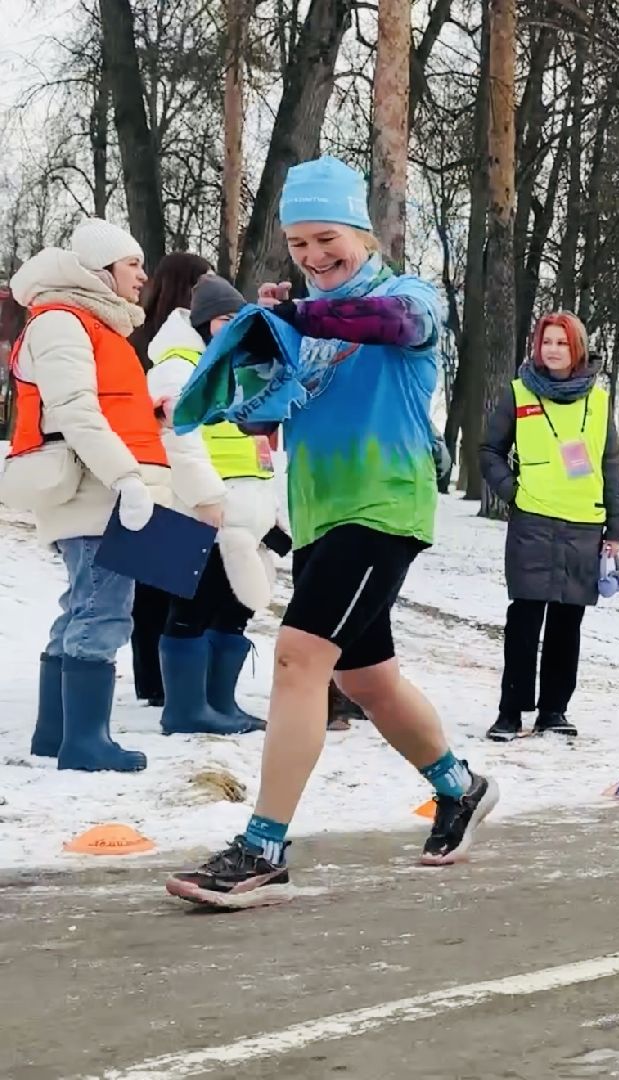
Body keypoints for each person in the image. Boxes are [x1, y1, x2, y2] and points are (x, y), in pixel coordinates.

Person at [164, 156, 496, 909]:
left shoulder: (407, 296)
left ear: (362, 231)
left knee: (299, 657)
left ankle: (263, 847)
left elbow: (396, 327)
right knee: (363, 677)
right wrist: (251, 364)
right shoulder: (303, 323)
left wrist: (294, 315)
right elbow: (264, 416)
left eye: (327, 239)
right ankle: (461, 787)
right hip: (317, 510)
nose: (315, 257)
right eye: (299, 244)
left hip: (384, 504)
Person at [1, 219, 172, 772]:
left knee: (83, 604)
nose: (143, 276)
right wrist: (127, 477)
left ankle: (57, 734)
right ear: (100, 271)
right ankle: (84, 742)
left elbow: (105, 407)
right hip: (94, 490)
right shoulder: (62, 322)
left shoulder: (92, 326)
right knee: (102, 609)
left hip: (103, 487)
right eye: (132, 265)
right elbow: (73, 411)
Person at [144, 270, 285, 736]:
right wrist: (206, 497)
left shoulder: (229, 365)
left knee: (233, 604)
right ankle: (186, 708)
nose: (234, 328)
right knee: (193, 606)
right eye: (226, 319)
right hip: (195, 507)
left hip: (238, 508)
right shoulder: (178, 363)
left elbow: (256, 439)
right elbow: (178, 438)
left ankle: (219, 702)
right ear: (206, 320)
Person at [478, 311, 619, 742]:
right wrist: (514, 493)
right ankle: (510, 711)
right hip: (533, 522)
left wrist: (616, 526)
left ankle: (554, 711)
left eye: (562, 343)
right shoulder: (519, 393)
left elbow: (610, 463)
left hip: (585, 526)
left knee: (568, 623)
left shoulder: (599, 401)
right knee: (524, 619)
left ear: (576, 347)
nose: (553, 350)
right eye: (547, 342)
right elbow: (490, 451)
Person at [127, 253, 213, 708]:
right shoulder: (179, 350)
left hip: (144, 467)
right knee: (172, 585)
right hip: (166, 466)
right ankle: (160, 682)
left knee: (152, 586)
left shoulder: (140, 338)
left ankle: (149, 679)